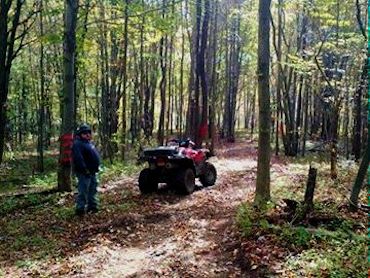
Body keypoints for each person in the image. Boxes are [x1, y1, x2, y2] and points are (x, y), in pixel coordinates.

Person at [72, 123, 101, 216]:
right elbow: (78, 159)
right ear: (80, 134)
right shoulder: (78, 144)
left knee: (92, 190)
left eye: (89, 132)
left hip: (92, 172)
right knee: (83, 191)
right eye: (85, 133)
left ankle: (92, 207)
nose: (88, 134)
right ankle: (80, 210)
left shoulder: (88, 143)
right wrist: (84, 170)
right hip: (84, 173)